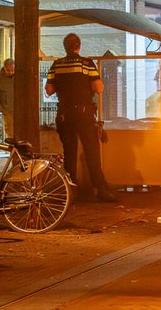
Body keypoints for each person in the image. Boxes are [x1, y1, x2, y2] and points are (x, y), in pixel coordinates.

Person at [45, 33, 117, 203]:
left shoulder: (56, 65)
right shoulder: (87, 63)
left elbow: (49, 90)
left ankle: (70, 190)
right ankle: (100, 189)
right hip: (84, 114)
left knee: (69, 152)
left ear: (65, 47)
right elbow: (99, 88)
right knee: (92, 151)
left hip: (64, 114)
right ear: (78, 46)